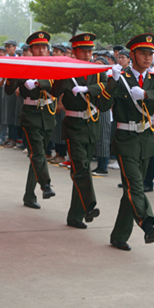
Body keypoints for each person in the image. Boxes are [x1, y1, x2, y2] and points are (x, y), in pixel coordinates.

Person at [105, 33, 154, 251]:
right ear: (132, 55)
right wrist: (112, 81)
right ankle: (149, 226)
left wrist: (146, 94)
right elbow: (102, 105)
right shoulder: (121, 78)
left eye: (150, 54)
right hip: (125, 139)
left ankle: (119, 236)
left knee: (130, 191)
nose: (147, 58)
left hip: (146, 139)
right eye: (143, 54)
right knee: (135, 186)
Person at [51, 33, 111, 229]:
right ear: (74, 52)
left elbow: (105, 87)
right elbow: (54, 91)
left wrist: (89, 90)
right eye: (83, 51)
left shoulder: (97, 70)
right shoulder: (68, 70)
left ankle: (75, 216)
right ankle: (89, 205)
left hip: (91, 125)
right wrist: (64, 75)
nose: (87, 55)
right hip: (73, 125)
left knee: (80, 171)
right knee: (81, 167)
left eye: (89, 51)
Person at [5, 31, 57, 209]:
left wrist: (37, 83)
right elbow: (9, 90)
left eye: (44, 47)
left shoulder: (53, 65)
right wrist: (13, 74)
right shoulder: (24, 65)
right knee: (38, 152)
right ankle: (46, 185)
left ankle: (29, 195)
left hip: (48, 114)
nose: (42, 50)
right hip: (31, 114)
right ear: (31, 49)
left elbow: (56, 83)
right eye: (38, 47)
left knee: (37, 156)